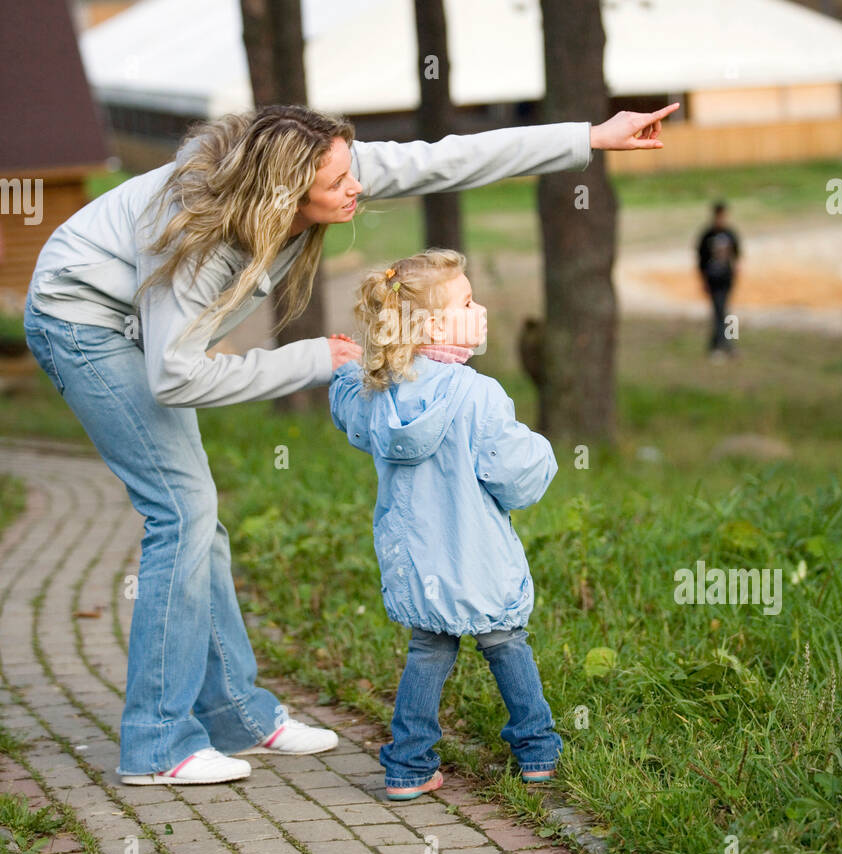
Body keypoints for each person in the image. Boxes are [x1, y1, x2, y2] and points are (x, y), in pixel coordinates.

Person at [22, 100, 678, 787]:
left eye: (349, 171)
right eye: (338, 185)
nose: (354, 189)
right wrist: (311, 360)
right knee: (180, 515)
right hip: (84, 321)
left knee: (198, 521)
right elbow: (174, 374)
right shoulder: (200, 236)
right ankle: (157, 746)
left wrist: (590, 135)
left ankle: (237, 714)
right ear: (284, 190)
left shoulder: (319, 174)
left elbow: (445, 158)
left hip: (142, 327)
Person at [329, 248, 561, 799]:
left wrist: (343, 370)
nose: (477, 308)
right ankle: (537, 749)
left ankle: (409, 765)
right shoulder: (478, 395)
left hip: (417, 558)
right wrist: (542, 452)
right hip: (476, 554)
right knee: (505, 640)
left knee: (429, 648)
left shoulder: (380, 390)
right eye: (467, 300)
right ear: (434, 323)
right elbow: (514, 472)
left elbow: (349, 410)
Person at [697, 200, 740, 358]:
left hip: (726, 279)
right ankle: (721, 346)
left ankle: (722, 345)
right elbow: (700, 260)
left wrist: (735, 275)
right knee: (719, 312)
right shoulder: (707, 235)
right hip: (712, 279)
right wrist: (702, 280)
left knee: (725, 313)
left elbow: (736, 256)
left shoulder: (730, 234)